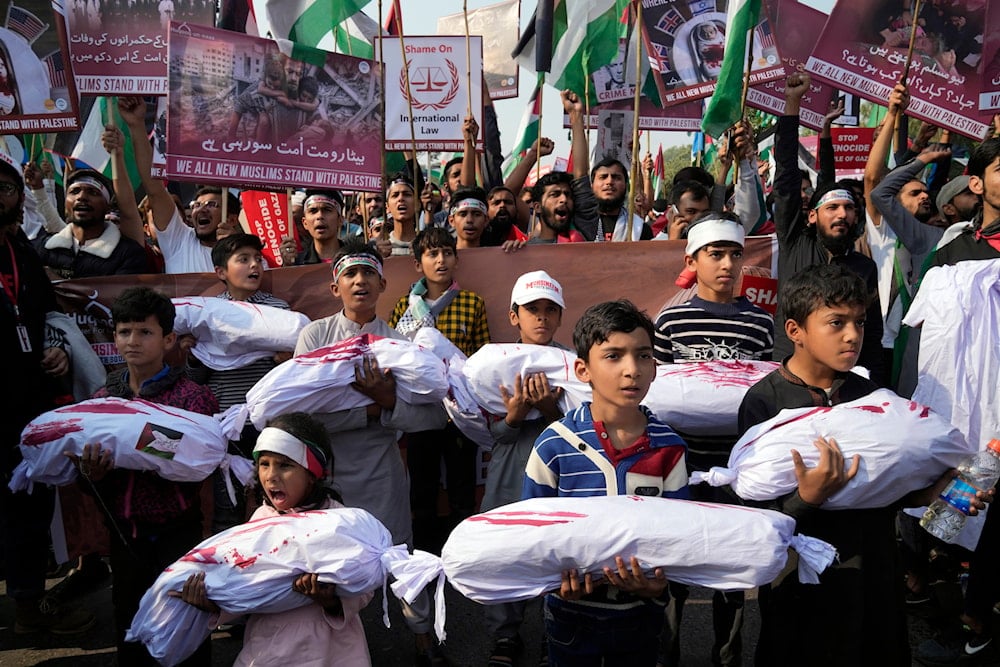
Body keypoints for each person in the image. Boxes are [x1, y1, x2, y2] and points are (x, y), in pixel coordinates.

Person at [737, 263, 975, 666]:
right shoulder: (765, 402)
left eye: (860, 322)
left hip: (875, 569)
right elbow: (754, 513)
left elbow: (889, 489)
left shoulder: (875, 398)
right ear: (795, 331)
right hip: (803, 576)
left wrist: (935, 491)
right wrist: (807, 499)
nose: (853, 335)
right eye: (836, 323)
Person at [294, 239, 447, 665]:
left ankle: (422, 638)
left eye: (367, 275)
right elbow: (300, 413)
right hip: (326, 471)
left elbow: (430, 418)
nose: (359, 281)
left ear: (382, 284)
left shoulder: (398, 345)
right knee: (325, 563)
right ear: (335, 287)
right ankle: (332, 646)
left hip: (382, 469)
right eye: (350, 274)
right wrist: (376, 408)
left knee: (398, 554)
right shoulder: (315, 335)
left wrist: (391, 404)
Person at [523, 300, 689, 666]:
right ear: (583, 369)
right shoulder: (554, 445)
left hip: (641, 614)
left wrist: (658, 586)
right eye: (613, 356)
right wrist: (555, 581)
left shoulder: (670, 447)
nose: (632, 370)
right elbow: (530, 532)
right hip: (570, 614)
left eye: (643, 356)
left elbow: (682, 537)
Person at [75, 286, 217, 665]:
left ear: (168, 339)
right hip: (125, 536)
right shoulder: (105, 398)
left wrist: (139, 438)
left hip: (179, 533)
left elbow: (199, 461)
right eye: (124, 331)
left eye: (145, 332)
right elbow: (89, 477)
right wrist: (93, 473)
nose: (132, 341)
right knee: (132, 630)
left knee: (185, 627)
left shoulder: (193, 399)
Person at [169, 413, 373, 666]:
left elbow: (365, 583)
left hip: (332, 647)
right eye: (264, 464)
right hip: (269, 646)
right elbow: (245, 581)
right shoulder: (261, 519)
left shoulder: (338, 519)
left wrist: (331, 601)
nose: (271, 476)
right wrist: (211, 602)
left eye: (285, 465)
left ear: (313, 473)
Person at [0, 153, 96, 636]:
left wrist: (55, 352)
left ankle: (28, 607)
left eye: (5, 186)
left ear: (17, 198)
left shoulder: (20, 250)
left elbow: (42, 317)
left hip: (26, 403)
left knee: (29, 503)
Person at [771, 72, 885, 384]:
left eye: (849, 208)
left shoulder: (864, 268)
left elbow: (871, 330)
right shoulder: (795, 240)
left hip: (844, 379)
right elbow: (786, 177)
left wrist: (873, 381)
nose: (842, 214)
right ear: (812, 217)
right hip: (790, 372)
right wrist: (792, 103)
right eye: (832, 208)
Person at [482, 270, 568, 665]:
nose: (542, 318)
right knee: (507, 551)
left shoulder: (572, 366)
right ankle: (505, 635)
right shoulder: (494, 364)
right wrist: (514, 416)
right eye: (533, 309)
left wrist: (552, 410)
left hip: (561, 474)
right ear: (514, 315)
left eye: (551, 310)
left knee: (558, 551)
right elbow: (489, 433)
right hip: (509, 471)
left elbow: (584, 425)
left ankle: (559, 628)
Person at [388, 226, 489, 552]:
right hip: (421, 412)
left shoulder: (472, 303)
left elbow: (480, 358)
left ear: (456, 259)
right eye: (432, 254)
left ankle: (463, 549)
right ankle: (425, 550)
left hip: (459, 411)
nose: (441, 259)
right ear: (418, 264)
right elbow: (397, 354)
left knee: (462, 482)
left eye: (447, 252)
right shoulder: (405, 306)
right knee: (422, 482)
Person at [186, 232, 290, 531]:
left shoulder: (279, 311)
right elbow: (196, 379)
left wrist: (286, 360)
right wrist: (193, 355)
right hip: (226, 427)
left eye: (257, 259)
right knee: (227, 510)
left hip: (269, 424)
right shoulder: (206, 315)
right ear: (221, 272)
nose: (253, 265)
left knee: (274, 507)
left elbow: (293, 376)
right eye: (243, 259)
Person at [120, 96, 240, 274]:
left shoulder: (248, 256)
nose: (202, 210)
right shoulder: (179, 240)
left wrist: (236, 251)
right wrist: (136, 125)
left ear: (231, 219)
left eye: (212, 205)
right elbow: (155, 190)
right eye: (197, 205)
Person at [31, 168, 149, 278]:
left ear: (107, 206)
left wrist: (56, 283)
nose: (81, 197)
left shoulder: (128, 254)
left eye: (93, 192)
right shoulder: (43, 248)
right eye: (75, 191)